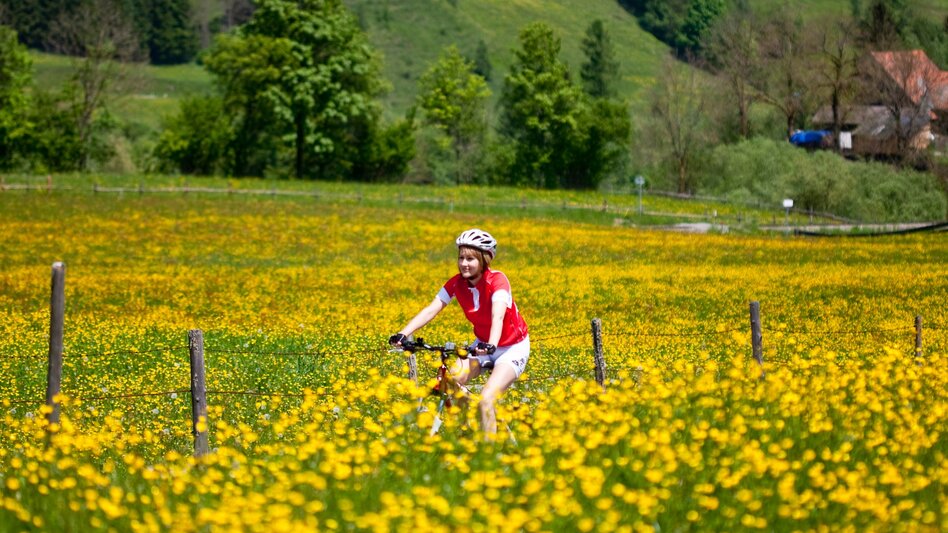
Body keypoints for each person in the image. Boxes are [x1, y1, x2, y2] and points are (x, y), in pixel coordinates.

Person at [389, 228, 529, 437]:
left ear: (484, 260)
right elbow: (432, 308)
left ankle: (489, 456)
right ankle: (472, 426)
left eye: (471, 259)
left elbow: (497, 316)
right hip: (482, 344)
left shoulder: (497, 281)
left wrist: (490, 344)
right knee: (448, 381)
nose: (464, 263)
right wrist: (403, 333)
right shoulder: (456, 283)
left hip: (511, 348)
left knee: (486, 399)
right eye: (461, 257)